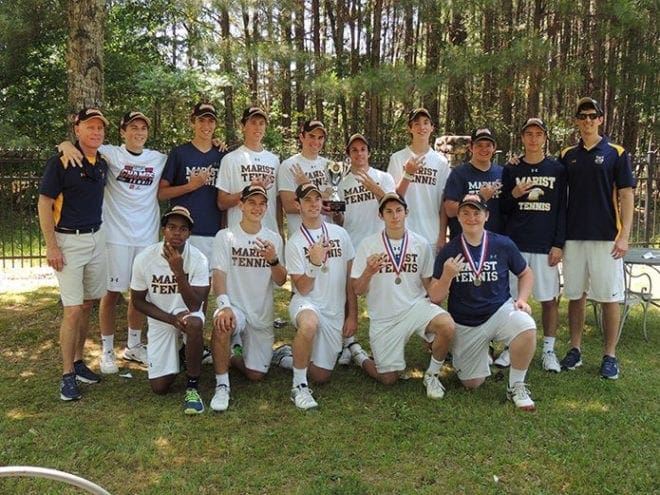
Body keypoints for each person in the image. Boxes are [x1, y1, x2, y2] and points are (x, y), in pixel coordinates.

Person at [58, 111, 166, 373]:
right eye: (133, 128)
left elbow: (186, 160)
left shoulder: (159, 158)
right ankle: (107, 351)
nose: (138, 133)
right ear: (123, 132)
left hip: (147, 236)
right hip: (115, 237)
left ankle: (133, 345)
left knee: (140, 292)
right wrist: (63, 145)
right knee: (111, 293)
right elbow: (82, 143)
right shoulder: (111, 153)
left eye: (143, 128)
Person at [429, 194, 538, 411]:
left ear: (486, 216)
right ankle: (476, 355)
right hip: (465, 321)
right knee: (472, 384)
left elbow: (526, 273)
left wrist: (522, 300)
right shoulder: (450, 251)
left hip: (499, 312)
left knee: (526, 326)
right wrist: (447, 276)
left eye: (477, 213)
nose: (471, 218)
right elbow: (435, 296)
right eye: (466, 213)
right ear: (458, 217)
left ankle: (516, 385)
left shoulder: (502, 244)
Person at [558, 97, 635, 379]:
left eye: (593, 116)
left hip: (606, 239)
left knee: (609, 298)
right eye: (583, 116)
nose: (588, 120)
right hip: (574, 237)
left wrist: (624, 235)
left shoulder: (616, 152)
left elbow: (626, 195)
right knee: (575, 295)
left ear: (601, 119)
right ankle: (575, 350)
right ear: (577, 121)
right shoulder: (567, 155)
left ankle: (610, 356)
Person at [350, 193, 454, 398]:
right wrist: (368, 272)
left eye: (398, 210)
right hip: (384, 316)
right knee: (388, 378)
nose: (395, 216)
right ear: (381, 216)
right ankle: (358, 355)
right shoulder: (368, 244)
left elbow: (430, 287)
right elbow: (357, 290)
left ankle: (432, 375)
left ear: (406, 212)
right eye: (388, 211)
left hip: (415, 307)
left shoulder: (421, 244)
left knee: (447, 325)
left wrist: (444, 283)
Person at [37, 108, 109, 401]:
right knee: (72, 309)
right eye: (89, 127)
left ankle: (79, 362)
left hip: (96, 237)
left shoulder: (102, 162)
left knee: (88, 303)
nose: (95, 132)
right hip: (68, 241)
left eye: (100, 128)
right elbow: (44, 203)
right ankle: (67, 375)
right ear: (77, 129)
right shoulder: (61, 162)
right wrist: (51, 245)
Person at [209, 185, 287, 412]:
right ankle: (222, 385)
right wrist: (223, 306)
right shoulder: (225, 236)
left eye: (262, 203)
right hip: (235, 308)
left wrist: (273, 260)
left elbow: (281, 280)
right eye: (251, 202)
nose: (257, 207)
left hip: (260, 315)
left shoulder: (273, 238)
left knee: (256, 374)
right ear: (241, 205)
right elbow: (219, 275)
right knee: (223, 323)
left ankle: (234, 353)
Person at [501, 118, 566, 373]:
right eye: (529, 134)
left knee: (549, 299)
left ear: (545, 138)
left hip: (544, 244)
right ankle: (510, 346)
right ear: (522, 138)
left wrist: (558, 243)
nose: (533, 139)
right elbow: (504, 208)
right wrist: (514, 194)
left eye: (538, 134)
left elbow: (562, 209)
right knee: (512, 298)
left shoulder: (557, 170)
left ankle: (548, 350)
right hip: (517, 242)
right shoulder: (511, 169)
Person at [130, 206, 210, 414]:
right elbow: (137, 301)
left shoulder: (199, 259)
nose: (177, 233)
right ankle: (183, 355)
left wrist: (178, 272)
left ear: (189, 233)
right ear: (163, 229)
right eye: (172, 227)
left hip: (188, 314)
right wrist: (170, 318)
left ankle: (192, 387)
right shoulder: (144, 258)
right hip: (162, 318)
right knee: (159, 387)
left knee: (194, 324)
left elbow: (195, 305)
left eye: (183, 229)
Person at [284, 183, 358, 410]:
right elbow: (303, 288)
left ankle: (287, 358)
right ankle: (299, 387)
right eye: (307, 200)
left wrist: (352, 316)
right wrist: (315, 263)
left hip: (334, 310)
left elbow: (349, 280)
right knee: (308, 324)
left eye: (317, 198)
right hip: (307, 302)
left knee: (322, 375)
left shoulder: (340, 234)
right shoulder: (295, 242)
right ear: (298, 205)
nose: (314, 203)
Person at [334, 133, 395, 365]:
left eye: (362, 149)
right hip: (353, 243)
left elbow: (394, 203)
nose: (359, 154)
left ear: (368, 152)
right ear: (349, 155)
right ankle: (349, 340)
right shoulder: (342, 182)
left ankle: (386, 335)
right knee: (349, 293)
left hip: (379, 244)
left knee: (381, 293)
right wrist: (336, 213)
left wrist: (374, 188)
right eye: (354, 150)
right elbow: (341, 219)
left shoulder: (383, 177)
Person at [158, 102, 226, 262]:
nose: (206, 125)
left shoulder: (222, 155)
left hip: (212, 231)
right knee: (176, 282)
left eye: (210, 121)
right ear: (193, 122)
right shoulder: (179, 153)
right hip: (181, 233)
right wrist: (190, 186)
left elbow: (224, 198)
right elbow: (162, 193)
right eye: (201, 120)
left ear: (215, 124)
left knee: (205, 285)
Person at [387, 108, 450, 252]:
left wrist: (442, 235)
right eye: (416, 123)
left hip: (431, 235)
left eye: (426, 123)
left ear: (432, 128)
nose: (422, 127)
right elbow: (394, 197)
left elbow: (443, 203)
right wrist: (407, 174)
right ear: (410, 128)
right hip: (403, 234)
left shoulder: (441, 162)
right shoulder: (397, 158)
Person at [216, 106, 282, 237]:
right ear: (243, 126)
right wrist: (249, 190)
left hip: (269, 234)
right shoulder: (230, 159)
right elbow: (221, 203)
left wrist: (280, 232)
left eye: (261, 123)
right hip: (238, 237)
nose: (258, 127)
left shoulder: (274, 160)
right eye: (253, 123)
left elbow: (278, 203)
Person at [443, 128, 504, 240]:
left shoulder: (502, 173)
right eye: (479, 145)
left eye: (488, 145)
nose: (484, 149)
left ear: (494, 148)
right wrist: (480, 198)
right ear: (471, 147)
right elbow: (449, 210)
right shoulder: (459, 173)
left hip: (494, 242)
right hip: (464, 242)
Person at [277, 119, 330, 237]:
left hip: (327, 236)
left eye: (320, 137)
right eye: (312, 136)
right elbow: (289, 205)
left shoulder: (329, 166)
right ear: (302, 137)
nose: (316, 141)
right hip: (300, 237)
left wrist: (306, 184)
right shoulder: (289, 165)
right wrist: (323, 203)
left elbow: (336, 203)